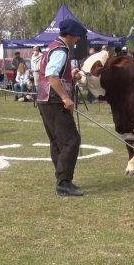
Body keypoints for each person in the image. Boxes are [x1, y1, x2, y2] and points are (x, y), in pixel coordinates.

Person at [36, 18, 87, 196]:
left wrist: (70, 73)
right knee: (71, 140)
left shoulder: (52, 46)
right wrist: (66, 97)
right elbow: (51, 75)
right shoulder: (61, 49)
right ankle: (64, 182)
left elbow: (52, 72)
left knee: (57, 141)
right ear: (71, 35)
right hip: (54, 100)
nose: (79, 39)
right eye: (78, 36)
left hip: (44, 99)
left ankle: (62, 179)